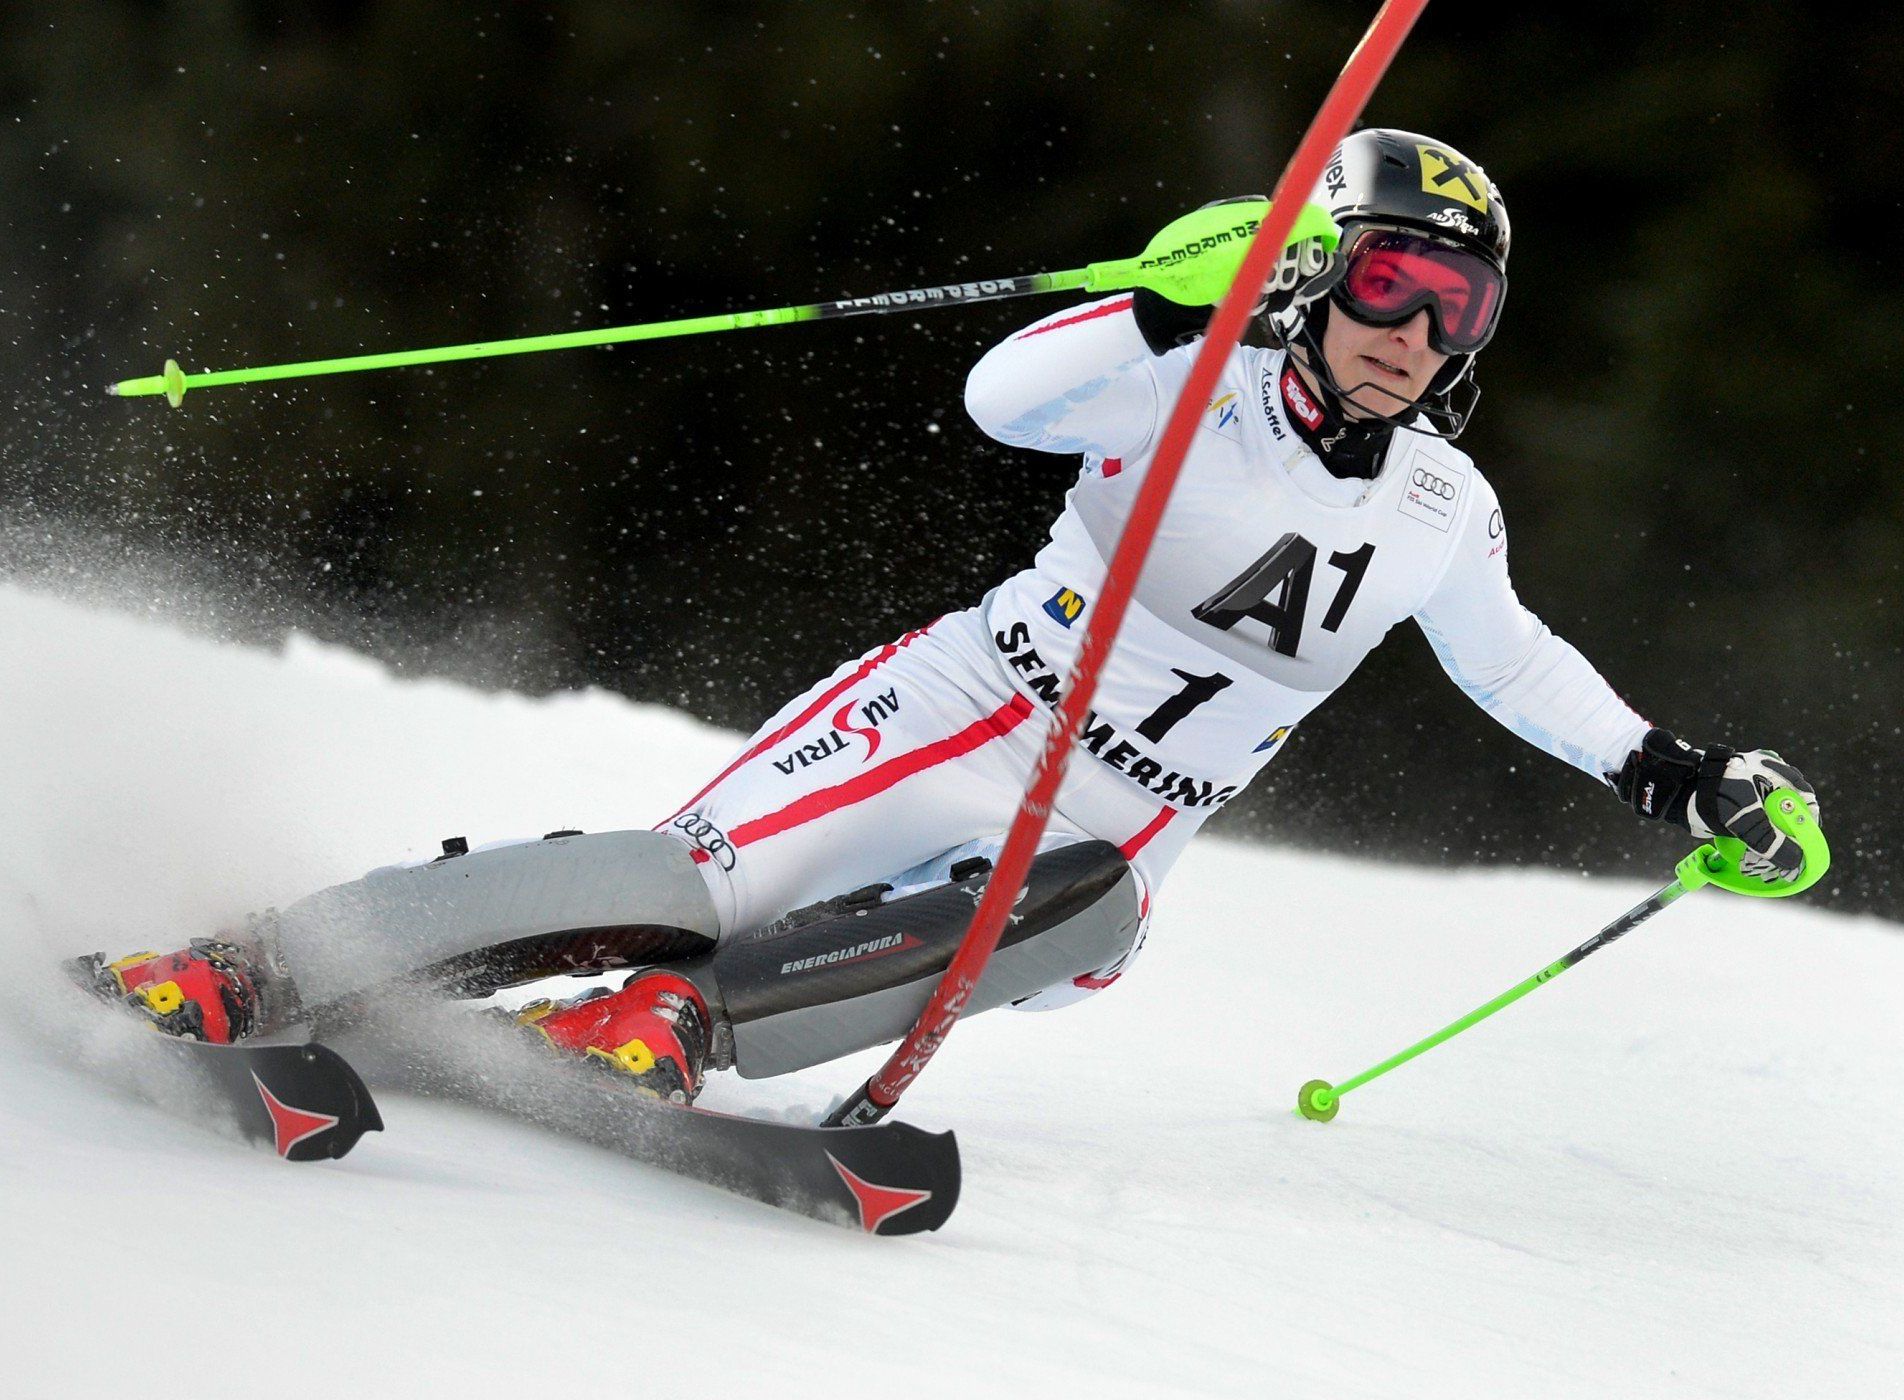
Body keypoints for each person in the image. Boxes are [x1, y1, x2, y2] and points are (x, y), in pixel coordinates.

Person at [83, 129, 1820, 1103]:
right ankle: (260, 961)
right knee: (684, 885)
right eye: (1383, 281)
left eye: (1454, 308)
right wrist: (1164, 303)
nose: (1411, 331)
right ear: (1320, 275)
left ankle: (674, 1027)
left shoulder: (1443, 510)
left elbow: (1512, 660)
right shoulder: (1196, 387)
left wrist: (1682, 777)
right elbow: (1007, 401)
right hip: (972, 710)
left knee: (1080, 922)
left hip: (1124, 818)